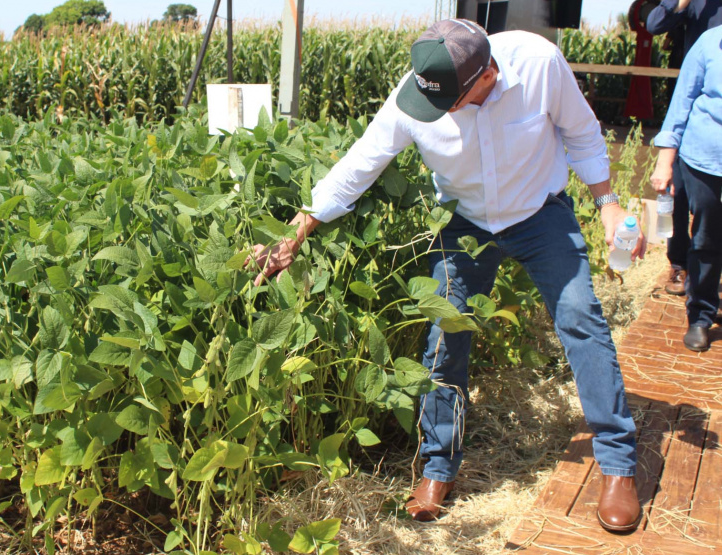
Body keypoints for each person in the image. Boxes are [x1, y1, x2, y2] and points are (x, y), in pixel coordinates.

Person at [249, 19, 645, 532]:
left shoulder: (538, 65)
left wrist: (607, 205)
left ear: (485, 78)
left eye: (445, 104)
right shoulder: (420, 92)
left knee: (579, 318)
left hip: (540, 212)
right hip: (464, 223)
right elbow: (360, 163)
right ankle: (438, 466)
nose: (430, 112)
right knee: (444, 335)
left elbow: (583, 134)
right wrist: (295, 233)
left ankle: (617, 464)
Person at [650, 26, 722, 351]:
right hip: (704, 159)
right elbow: (681, 104)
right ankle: (701, 317)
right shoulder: (709, 43)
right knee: (706, 236)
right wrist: (665, 162)